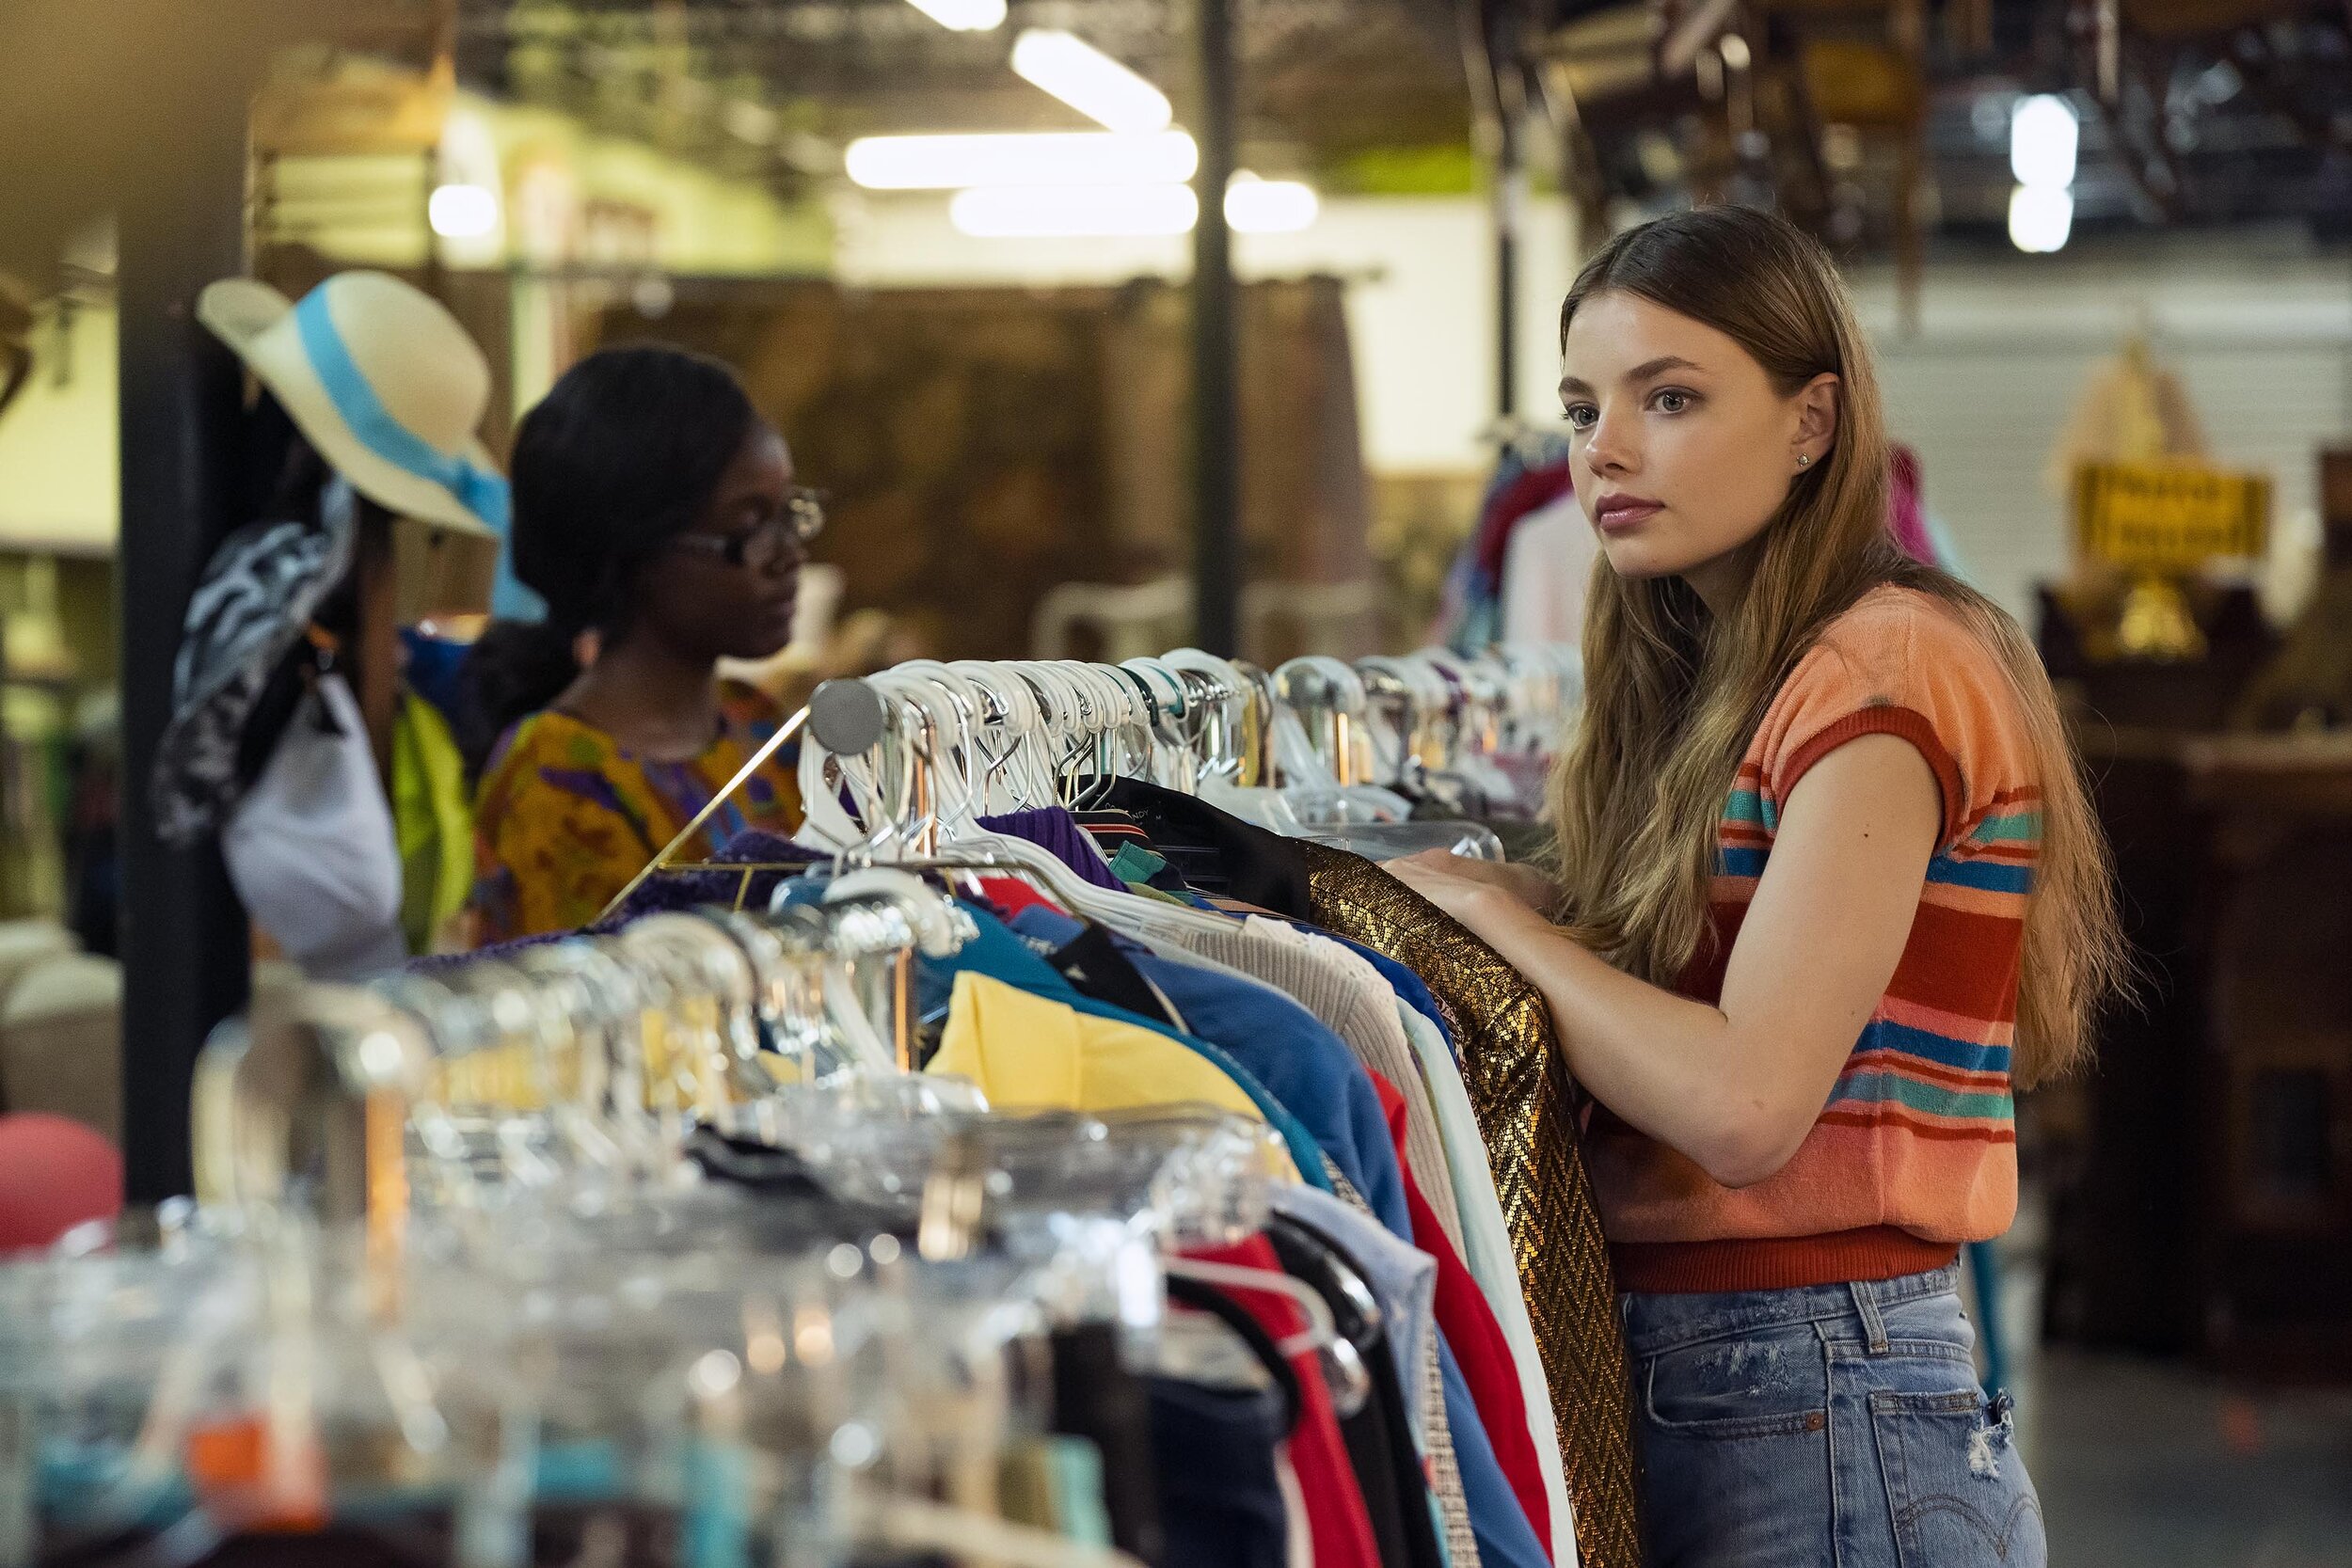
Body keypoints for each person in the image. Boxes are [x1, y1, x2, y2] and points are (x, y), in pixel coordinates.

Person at [1385, 207, 2123, 1568]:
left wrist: (1489, 918)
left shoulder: (1887, 660)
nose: (1603, 448)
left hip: (1818, 1382)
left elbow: (1744, 1102)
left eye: (1670, 398)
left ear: (1812, 420)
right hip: (1752, 1377)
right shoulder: (1734, 672)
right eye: (1581, 404)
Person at [465, 345, 817, 942]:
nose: (790, 554)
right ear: (639, 551)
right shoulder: (557, 784)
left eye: (789, 514)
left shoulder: (757, 725)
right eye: (750, 525)